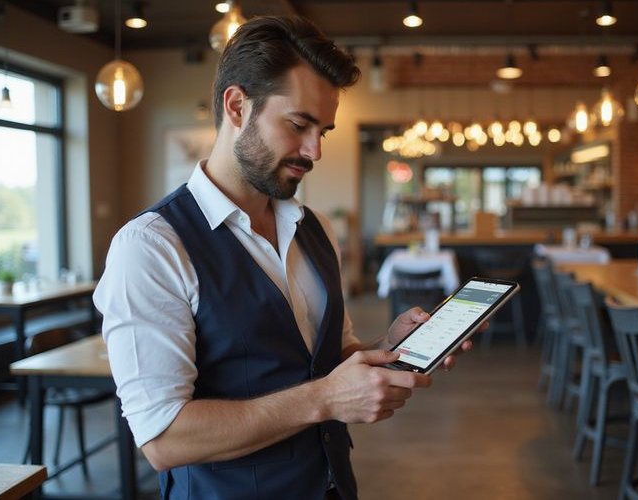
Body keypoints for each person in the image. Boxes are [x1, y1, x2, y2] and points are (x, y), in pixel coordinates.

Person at [94, 15, 473, 500]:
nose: (314, 149)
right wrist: (324, 400)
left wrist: (394, 345)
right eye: (299, 124)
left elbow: (326, 363)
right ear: (236, 106)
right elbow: (164, 439)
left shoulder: (315, 229)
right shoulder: (151, 245)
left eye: (325, 131)